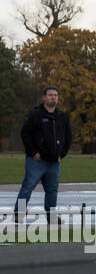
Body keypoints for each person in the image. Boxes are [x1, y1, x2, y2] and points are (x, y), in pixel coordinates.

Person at [17, 86, 72, 219]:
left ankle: (51, 217)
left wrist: (61, 154)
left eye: (56, 95)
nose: (53, 97)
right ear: (44, 97)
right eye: (50, 95)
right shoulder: (35, 115)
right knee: (27, 188)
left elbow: (68, 137)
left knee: (52, 191)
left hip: (54, 162)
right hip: (37, 161)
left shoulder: (62, 117)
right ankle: (18, 214)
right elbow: (25, 133)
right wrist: (33, 152)